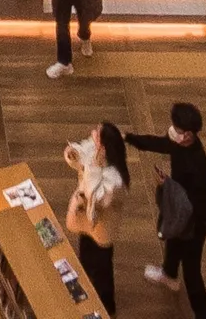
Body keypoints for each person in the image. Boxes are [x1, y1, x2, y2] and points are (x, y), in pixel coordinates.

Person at [135, 103, 206, 315]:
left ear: (188, 134)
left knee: (192, 273)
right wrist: (131, 139)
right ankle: (169, 275)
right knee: (172, 244)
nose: (172, 131)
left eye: (177, 129)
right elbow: (161, 144)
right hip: (181, 213)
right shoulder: (181, 144)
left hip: (194, 222)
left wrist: (167, 186)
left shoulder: (198, 166)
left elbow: (192, 205)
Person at [64, 123, 131, 315]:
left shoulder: (115, 178)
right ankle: (86, 285)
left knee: (102, 268)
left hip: (102, 226)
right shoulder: (96, 150)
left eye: (97, 139)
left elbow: (100, 199)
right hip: (86, 218)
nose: (93, 138)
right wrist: (73, 154)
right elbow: (81, 151)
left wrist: (92, 168)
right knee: (85, 253)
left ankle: (107, 308)